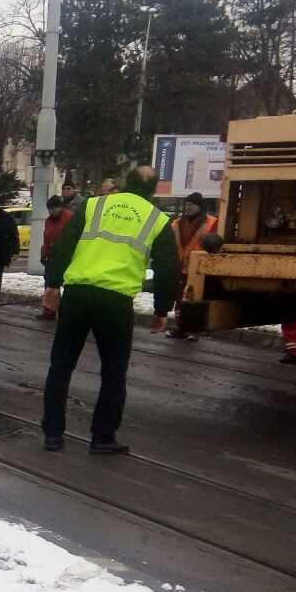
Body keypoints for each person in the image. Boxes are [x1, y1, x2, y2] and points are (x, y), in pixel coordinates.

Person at [40, 165, 179, 455]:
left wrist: (52, 283)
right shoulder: (157, 220)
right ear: (153, 190)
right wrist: (162, 309)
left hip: (78, 295)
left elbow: (64, 245)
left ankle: (52, 434)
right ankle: (102, 437)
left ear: (125, 183)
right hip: (116, 302)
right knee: (114, 373)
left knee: (61, 366)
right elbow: (168, 269)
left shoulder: (94, 204)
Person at [165, 192, 220, 340]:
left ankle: (193, 329)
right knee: (180, 299)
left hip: (199, 269)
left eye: (190, 205)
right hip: (180, 267)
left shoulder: (212, 222)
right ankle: (181, 327)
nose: (187, 208)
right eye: (186, 205)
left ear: (199, 206)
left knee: (195, 300)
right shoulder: (176, 223)